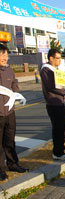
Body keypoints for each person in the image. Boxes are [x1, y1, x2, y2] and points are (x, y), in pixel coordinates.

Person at [0, 44, 28, 181]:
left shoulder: (9, 70)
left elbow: (14, 85)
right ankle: (1, 169)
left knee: (10, 140)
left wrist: (17, 93)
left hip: (10, 111)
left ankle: (13, 164)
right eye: (1, 55)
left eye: (6, 55)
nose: (4, 58)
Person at [40, 48, 65, 160]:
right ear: (51, 58)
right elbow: (52, 86)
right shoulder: (46, 70)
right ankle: (57, 152)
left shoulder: (55, 69)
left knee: (62, 127)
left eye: (60, 58)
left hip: (61, 102)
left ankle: (61, 147)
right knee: (58, 128)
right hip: (53, 103)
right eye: (57, 58)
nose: (59, 60)